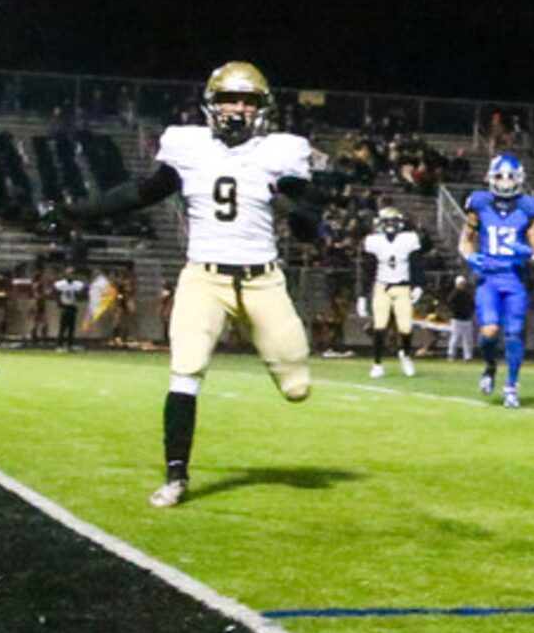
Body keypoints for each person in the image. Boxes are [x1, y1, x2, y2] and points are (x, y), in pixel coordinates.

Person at [53, 61, 319, 506]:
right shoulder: (188, 145)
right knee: (186, 372)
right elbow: (142, 193)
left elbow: (311, 228)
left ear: (263, 108)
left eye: (248, 100)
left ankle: (281, 372)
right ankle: (176, 475)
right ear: (210, 106)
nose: (237, 108)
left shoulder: (281, 152)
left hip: (263, 283)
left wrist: (288, 201)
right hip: (204, 278)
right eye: (229, 99)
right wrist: (76, 210)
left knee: (297, 388)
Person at [461, 154, 534, 407]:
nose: (505, 182)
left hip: (516, 279)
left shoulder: (529, 206)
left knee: (514, 332)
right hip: (489, 279)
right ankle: (490, 365)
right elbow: (465, 240)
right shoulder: (479, 202)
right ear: (490, 177)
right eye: (500, 176)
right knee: (489, 332)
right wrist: (471, 257)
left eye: (510, 177)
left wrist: (533, 253)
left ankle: (511, 386)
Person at [359, 204, 423, 379]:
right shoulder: (373, 241)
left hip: (403, 286)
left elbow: (416, 264)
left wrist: (418, 285)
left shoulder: (409, 239)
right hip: (382, 286)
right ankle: (378, 363)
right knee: (379, 326)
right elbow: (368, 269)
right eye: (386, 221)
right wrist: (363, 295)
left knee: (406, 326)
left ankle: (406, 355)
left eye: (393, 221)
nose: (389, 225)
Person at [51, 263, 89, 351]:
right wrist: (60, 305)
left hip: (72, 306)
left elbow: (83, 290)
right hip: (65, 306)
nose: (71, 275)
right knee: (63, 327)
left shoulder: (76, 284)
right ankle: (59, 345)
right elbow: (56, 294)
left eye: (72, 274)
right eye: (69, 273)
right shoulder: (61, 284)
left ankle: (69, 344)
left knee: (71, 328)